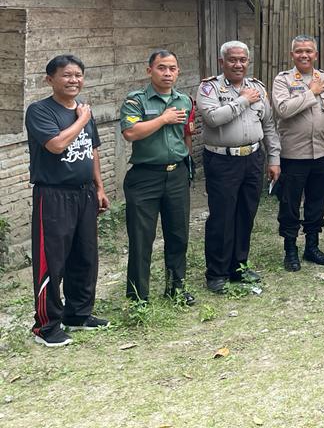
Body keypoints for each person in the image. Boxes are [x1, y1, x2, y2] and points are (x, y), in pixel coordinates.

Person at [26, 55, 110, 347]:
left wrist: (99, 187)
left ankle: (79, 314)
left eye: (78, 75)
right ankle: (46, 327)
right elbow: (56, 144)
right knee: (53, 260)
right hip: (53, 195)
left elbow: (92, 150)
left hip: (85, 192)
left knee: (85, 257)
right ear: (50, 79)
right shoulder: (40, 111)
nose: (74, 80)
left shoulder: (84, 110)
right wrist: (82, 120)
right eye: (66, 75)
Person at [196, 41, 281, 293]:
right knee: (222, 217)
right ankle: (216, 273)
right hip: (222, 160)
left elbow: (268, 126)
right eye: (233, 60)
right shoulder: (209, 88)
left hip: (253, 159)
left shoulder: (257, 87)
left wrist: (274, 158)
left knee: (246, 214)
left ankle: (239, 267)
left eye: (243, 60)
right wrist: (243, 100)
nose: (238, 64)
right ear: (222, 62)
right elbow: (212, 118)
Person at [120, 50, 196, 305]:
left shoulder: (184, 100)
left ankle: (176, 289)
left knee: (178, 235)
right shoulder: (136, 101)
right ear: (149, 70)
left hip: (176, 175)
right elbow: (130, 132)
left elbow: (186, 133)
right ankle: (138, 297)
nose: (167, 73)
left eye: (172, 68)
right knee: (142, 238)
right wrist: (163, 119)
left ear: (178, 71)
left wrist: (188, 160)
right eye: (162, 68)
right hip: (145, 178)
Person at [271, 35, 324, 272]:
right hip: (293, 154)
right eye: (299, 51)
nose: (304, 55)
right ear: (292, 55)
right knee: (290, 204)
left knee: (317, 201)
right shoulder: (283, 80)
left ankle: (312, 246)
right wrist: (310, 92)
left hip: (322, 152)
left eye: (309, 51)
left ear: (316, 54)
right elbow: (282, 110)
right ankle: (290, 249)